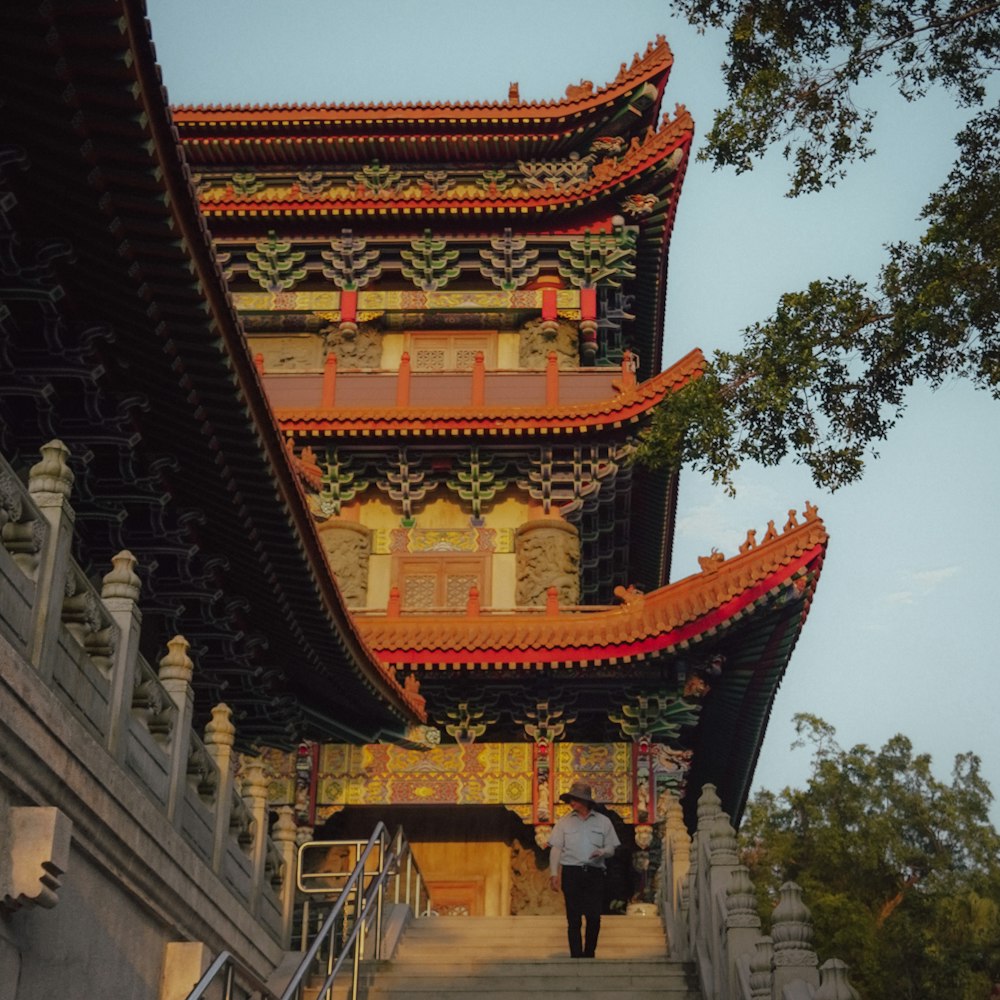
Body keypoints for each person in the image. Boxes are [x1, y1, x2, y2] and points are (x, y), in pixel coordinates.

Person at [548, 780, 620, 958]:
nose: (572, 802)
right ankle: (576, 955)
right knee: (573, 917)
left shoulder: (603, 822)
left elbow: (612, 848)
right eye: (571, 799)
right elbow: (556, 848)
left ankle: (589, 953)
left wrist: (602, 851)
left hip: (594, 873)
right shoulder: (564, 823)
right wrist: (554, 873)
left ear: (586, 801)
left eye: (576, 799)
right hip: (572, 872)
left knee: (594, 916)